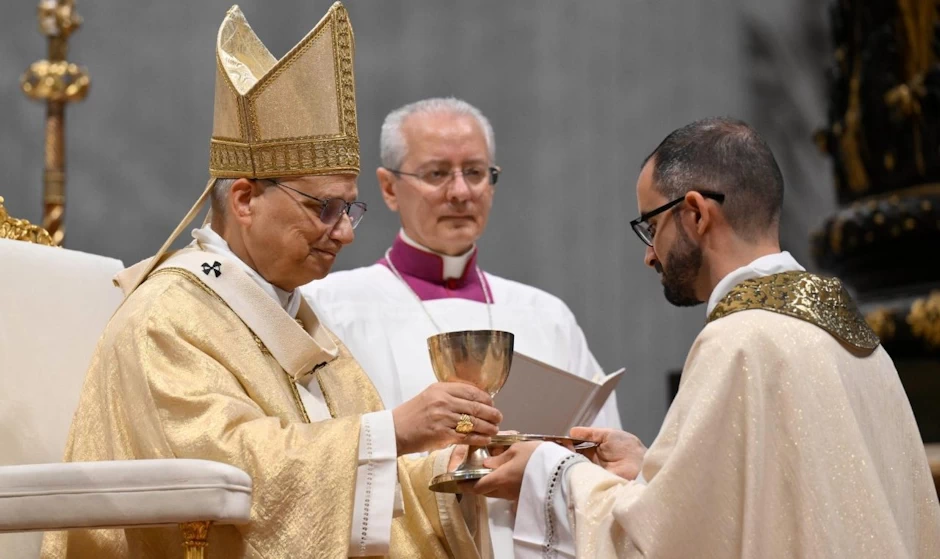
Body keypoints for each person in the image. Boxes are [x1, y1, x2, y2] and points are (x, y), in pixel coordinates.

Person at [41, 5, 500, 558]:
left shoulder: (295, 317)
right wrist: (394, 431)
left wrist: (452, 472)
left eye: (349, 210)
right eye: (324, 208)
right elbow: (227, 472)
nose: (344, 233)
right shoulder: (167, 319)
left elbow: (362, 484)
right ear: (244, 199)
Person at [467, 117, 940, 558]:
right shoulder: (854, 339)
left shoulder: (740, 342)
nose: (650, 256)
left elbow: (665, 543)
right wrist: (652, 468)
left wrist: (553, 473)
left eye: (651, 227)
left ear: (694, 213)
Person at [302, 97, 622, 556]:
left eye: (474, 172)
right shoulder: (330, 307)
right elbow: (319, 455)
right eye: (436, 173)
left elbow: (601, 462)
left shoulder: (546, 315)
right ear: (389, 188)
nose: (460, 192)